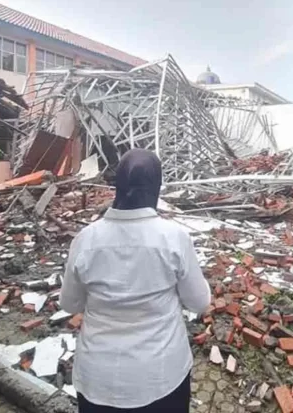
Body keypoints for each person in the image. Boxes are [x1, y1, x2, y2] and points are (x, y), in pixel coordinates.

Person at [60, 149, 211, 413]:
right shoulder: (174, 239)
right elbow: (199, 303)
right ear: (156, 188)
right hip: (161, 378)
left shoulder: (85, 240)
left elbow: (70, 304)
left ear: (117, 186)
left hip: (98, 380)